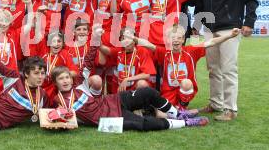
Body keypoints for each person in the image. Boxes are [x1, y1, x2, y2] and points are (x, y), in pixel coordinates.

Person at [51, 25, 209, 131]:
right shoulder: (58, 101)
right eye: (61, 79)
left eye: (67, 78)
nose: (65, 81)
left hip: (114, 101)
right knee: (143, 124)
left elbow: (88, 61)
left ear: (72, 79)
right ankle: (185, 122)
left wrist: (95, 39)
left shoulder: (78, 83)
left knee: (147, 92)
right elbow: (55, 116)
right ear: (55, 82)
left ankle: (178, 113)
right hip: (108, 118)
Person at [194, 0, 258, 121]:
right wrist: (197, 26)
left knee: (228, 69)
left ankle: (230, 109)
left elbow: (251, 0)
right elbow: (200, 3)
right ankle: (216, 104)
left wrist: (249, 23)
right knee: (213, 69)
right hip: (208, 29)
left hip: (230, 29)